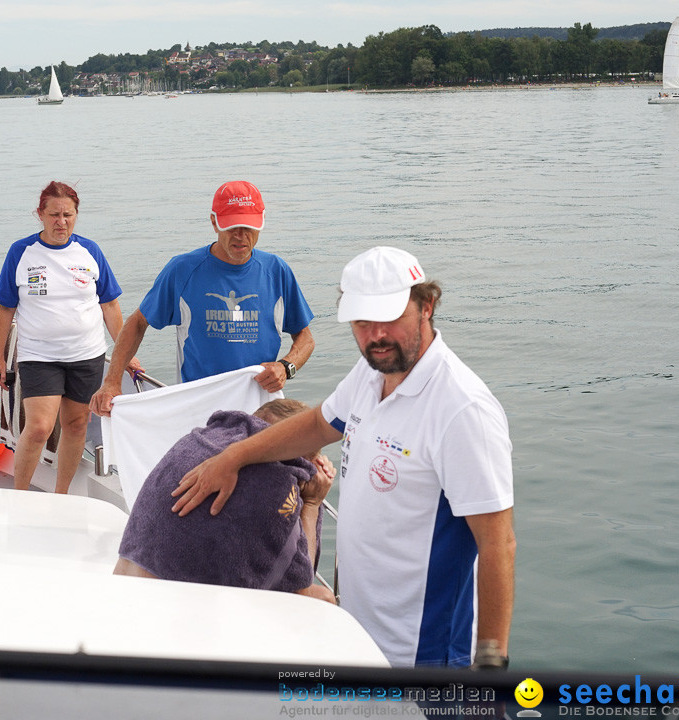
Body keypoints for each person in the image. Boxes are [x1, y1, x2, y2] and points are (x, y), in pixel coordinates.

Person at [169, 247, 516, 669]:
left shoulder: (462, 409)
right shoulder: (372, 373)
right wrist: (234, 456)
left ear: (426, 306)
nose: (375, 336)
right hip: (358, 635)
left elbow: (498, 544)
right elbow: (318, 424)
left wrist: (491, 667)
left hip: (423, 653)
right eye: (361, 322)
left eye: (388, 318)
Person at [89, 181, 314, 417]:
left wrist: (286, 367)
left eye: (248, 227)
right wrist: (112, 382)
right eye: (232, 227)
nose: (241, 236)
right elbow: (137, 323)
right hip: (198, 407)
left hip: (260, 407)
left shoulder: (277, 271)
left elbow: (305, 337)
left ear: (261, 223)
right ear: (214, 222)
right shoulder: (183, 270)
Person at [0, 181, 140, 493]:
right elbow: (4, 308)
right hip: (39, 355)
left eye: (68, 215)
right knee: (40, 427)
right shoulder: (22, 252)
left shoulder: (90, 251)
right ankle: (20, 496)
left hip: (86, 355)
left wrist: (124, 353)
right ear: (40, 215)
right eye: (54, 214)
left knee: (75, 425)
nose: (62, 222)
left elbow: (110, 305)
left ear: (76, 215)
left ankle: (61, 496)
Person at [114, 399, 336, 603]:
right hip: (174, 618)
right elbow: (301, 584)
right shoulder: (275, 485)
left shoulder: (196, 442)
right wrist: (312, 503)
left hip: (123, 590)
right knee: (324, 598)